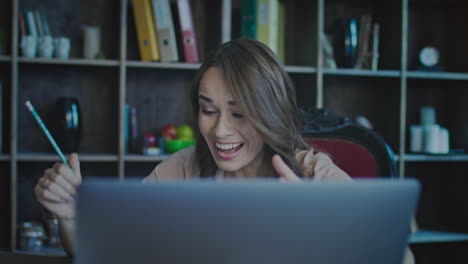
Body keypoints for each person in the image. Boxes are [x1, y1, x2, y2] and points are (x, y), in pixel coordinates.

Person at [34, 38, 413, 263]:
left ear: (270, 113)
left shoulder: (316, 176)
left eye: (239, 113)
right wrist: (69, 216)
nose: (220, 130)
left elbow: (402, 258)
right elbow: (105, 251)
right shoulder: (184, 167)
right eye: (208, 110)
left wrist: (319, 226)